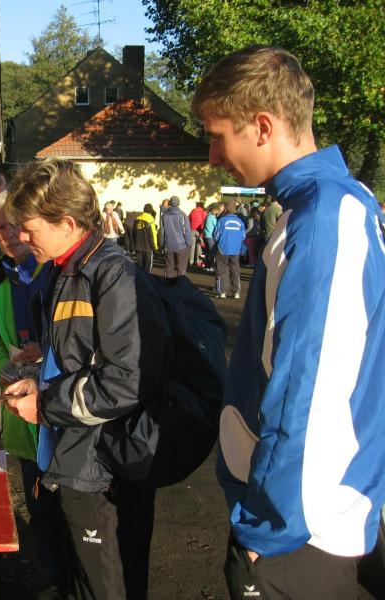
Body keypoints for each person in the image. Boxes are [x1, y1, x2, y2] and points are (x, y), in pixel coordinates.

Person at [194, 45, 385, 599]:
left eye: (217, 136)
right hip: (310, 510)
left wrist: (268, 528)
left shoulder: (323, 218)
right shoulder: (329, 205)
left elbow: (312, 388)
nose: (212, 157)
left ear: (262, 126)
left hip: (302, 527)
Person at [1, 158, 167, 600]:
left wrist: (45, 405)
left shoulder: (110, 273)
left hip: (104, 464)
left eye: (29, 228)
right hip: (80, 458)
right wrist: (39, 378)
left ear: (67, 223)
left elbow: (126, 380)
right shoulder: (65, 269)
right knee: (87, 580)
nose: (20, 237)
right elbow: (78, 358)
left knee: (107, 585)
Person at [0, 192, 71, 596]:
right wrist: (3, 366)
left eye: (16, 224)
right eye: (1, 227)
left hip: (67, 413)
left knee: (76, 511)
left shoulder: (59, 267)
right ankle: (55, 580)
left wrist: (47, 352)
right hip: (24, 417)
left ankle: (79, 582)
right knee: (40, 509)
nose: (10, 234)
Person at [212, 200, 245, 299]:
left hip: (222, 248)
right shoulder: (240, 222)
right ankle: (236, 292)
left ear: (225, 209)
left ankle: (222, 292)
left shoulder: (222, 221)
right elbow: (243, 236)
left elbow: (216, 235)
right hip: (235, 249)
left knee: (222, 269)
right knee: (235, 270)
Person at [159, 195, 191, 277]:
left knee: (169, 268)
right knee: (181, 268)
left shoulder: (164, 215)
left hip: (168, 245)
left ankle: (168, 284)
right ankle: (181, 283)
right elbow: (187, 231)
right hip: (181, 246)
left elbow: (162, 232)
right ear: (179, 204)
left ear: (169, 203)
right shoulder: (183, 215)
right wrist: (189, 243)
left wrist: (161, 244)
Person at [132, 203, 158, 272]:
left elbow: (133, 233)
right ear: (151, 211)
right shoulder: (150, 220)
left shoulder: (137, 219)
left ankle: (140, 278)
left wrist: (134, 244)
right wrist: (155, 248)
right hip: (147, 248)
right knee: (147, 268)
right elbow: (153, 235)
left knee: (139, 267)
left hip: (138, 247)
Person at [203, 202, 221, 271]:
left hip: (206, 236)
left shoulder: (208, 216)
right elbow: (217, 226)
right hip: (210, 237)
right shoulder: (212, 217)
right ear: (214, 210)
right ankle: (211, 266)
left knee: (207, 252)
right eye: (217, 210)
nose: (217, 212)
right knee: (212, 252)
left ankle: (206, 266)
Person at [188, 201, 207, 266]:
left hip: (192, 230)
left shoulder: (192, 211)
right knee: (199, 246)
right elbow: (205, 221)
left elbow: (188, 219)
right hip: (199, 230)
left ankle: (191, 261)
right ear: (202, 206)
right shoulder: (203, 212)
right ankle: (198, 261)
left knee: (192, 246)